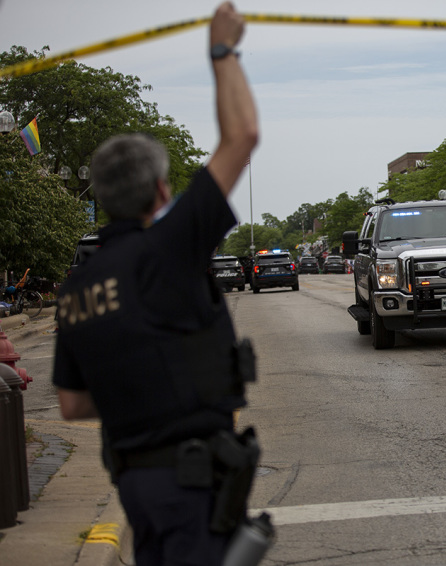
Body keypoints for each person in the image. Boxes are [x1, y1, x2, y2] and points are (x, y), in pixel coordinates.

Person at [51, 4, 259, 566]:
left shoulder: (75, 290)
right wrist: (223, 51)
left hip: (135, 485)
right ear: (162, 193)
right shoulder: (167, 249)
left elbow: (71, 404)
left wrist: (137, 390)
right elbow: (241, 136)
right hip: (190, 481)